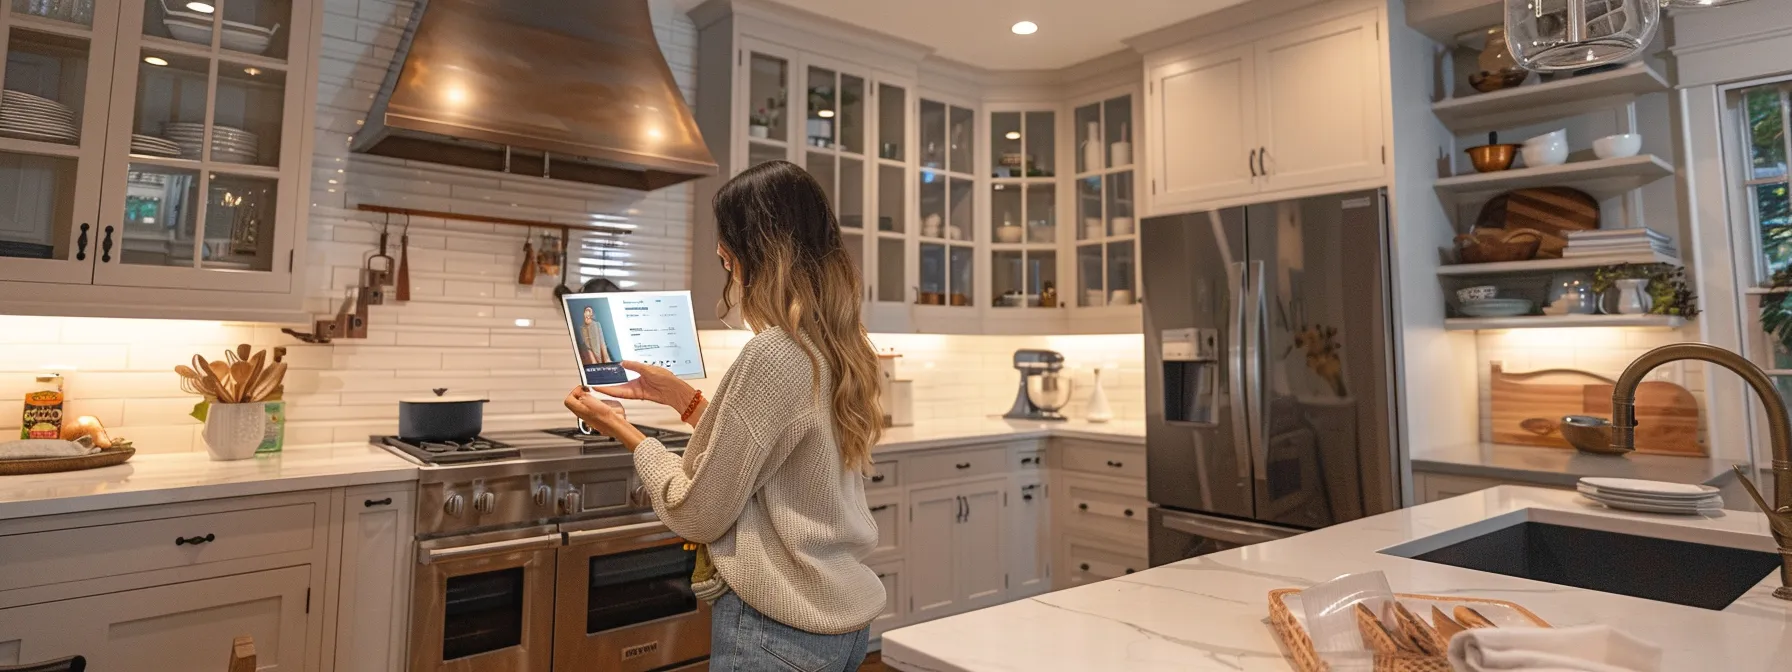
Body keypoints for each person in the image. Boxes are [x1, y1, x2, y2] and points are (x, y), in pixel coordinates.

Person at [563, 160, 885, 672]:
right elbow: (774, 456)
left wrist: (622, 429)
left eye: (726, 256)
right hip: (839, 625)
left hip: (778, 630)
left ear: (747, 255)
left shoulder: (774, 353)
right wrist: (682, 401)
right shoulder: (836, 344)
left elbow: (697, 512)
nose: (725, 264)